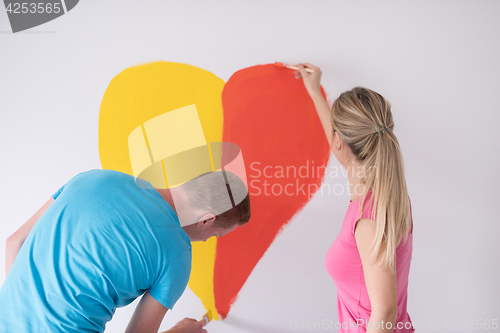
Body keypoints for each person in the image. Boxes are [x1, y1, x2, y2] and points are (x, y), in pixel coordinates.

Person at [0, 168, 251, 333]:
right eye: (216, 235)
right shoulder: (178, 255)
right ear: (206, 219)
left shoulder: (95, 177)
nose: (209, 240)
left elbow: (14, 242)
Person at [296, 63, 415, 333]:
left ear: (339, 141)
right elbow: (344, 145)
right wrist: (314, 91)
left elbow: (385, 310)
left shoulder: (368, 219)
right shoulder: (388, 192)